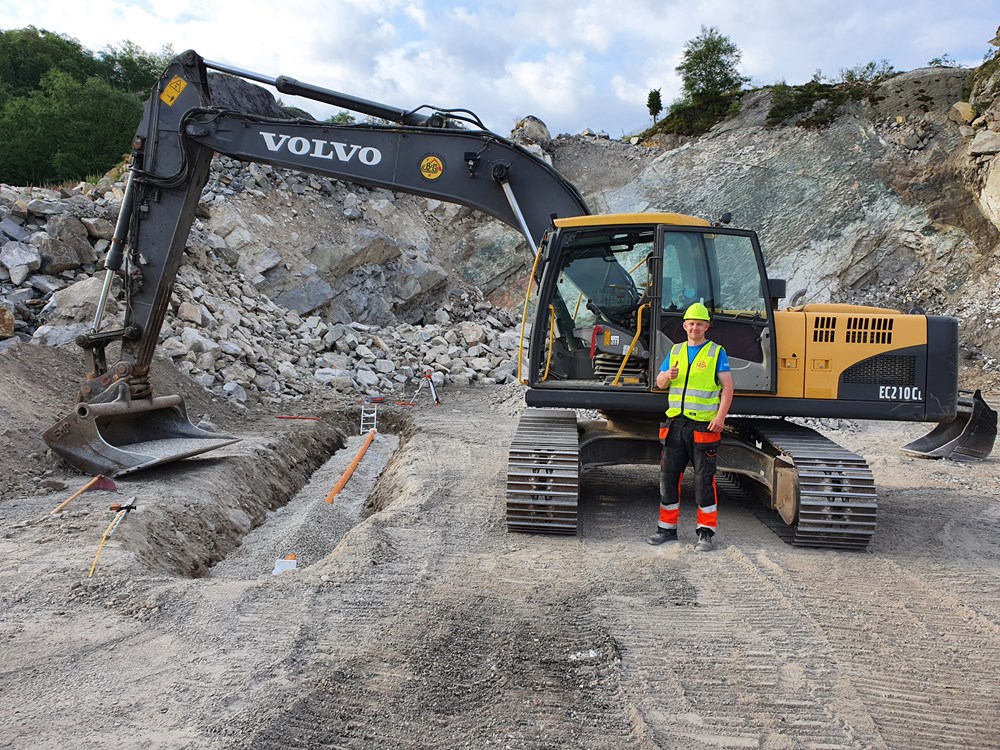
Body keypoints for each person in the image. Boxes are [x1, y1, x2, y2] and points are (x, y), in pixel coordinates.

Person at [647, 302, 734, 551]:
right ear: (685, 325)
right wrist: (667, 376)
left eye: (699, 323)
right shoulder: (675, 351)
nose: (695, 327)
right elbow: (660, 382)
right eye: (691, 323)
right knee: (668, 478)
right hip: (675, 424)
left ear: (707, 326)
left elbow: (728, 388)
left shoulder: (716, 352)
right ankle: (666, 529)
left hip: (703, 425)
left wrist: (720, 418)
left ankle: (705, 533)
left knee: (704, 480)